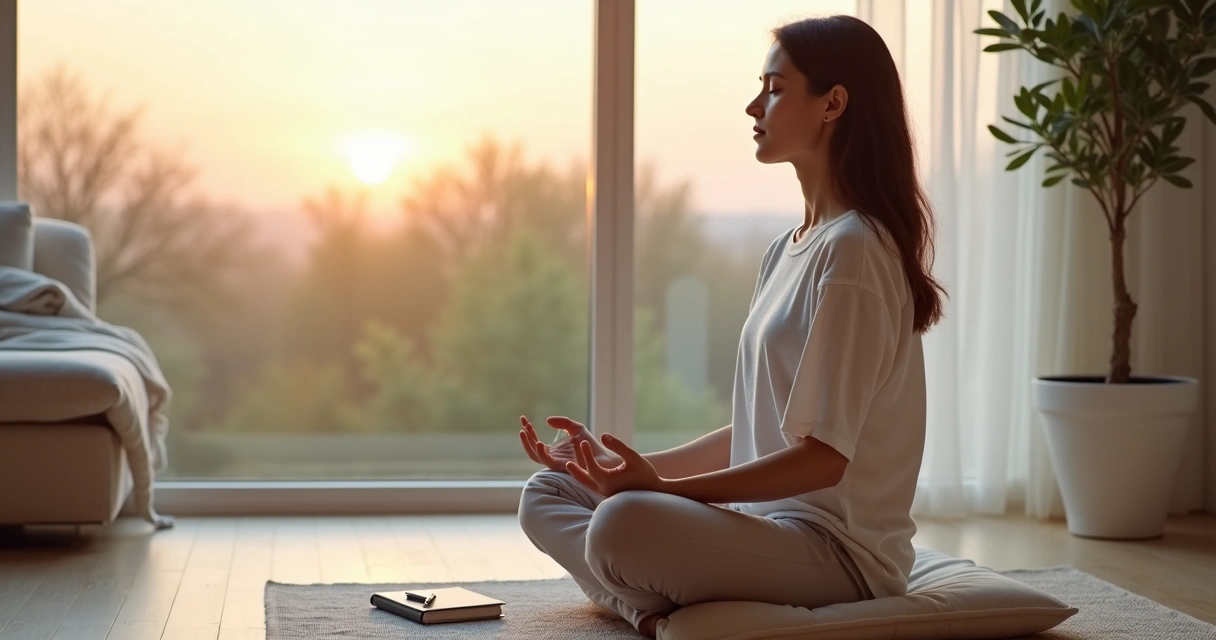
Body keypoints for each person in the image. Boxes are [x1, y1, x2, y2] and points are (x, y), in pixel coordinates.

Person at [516, 14, 946, 639]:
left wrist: (663, 489)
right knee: (549, 490)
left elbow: (823, 460)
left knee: (620, 524)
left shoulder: (854, 252)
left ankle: (644, 600)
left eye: (774, 87)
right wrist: (611, 465)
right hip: (763, 528)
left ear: (834, 103)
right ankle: (647, 606)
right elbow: (761, 427)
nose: (754, 104)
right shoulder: (788, 248)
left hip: (837, 555)